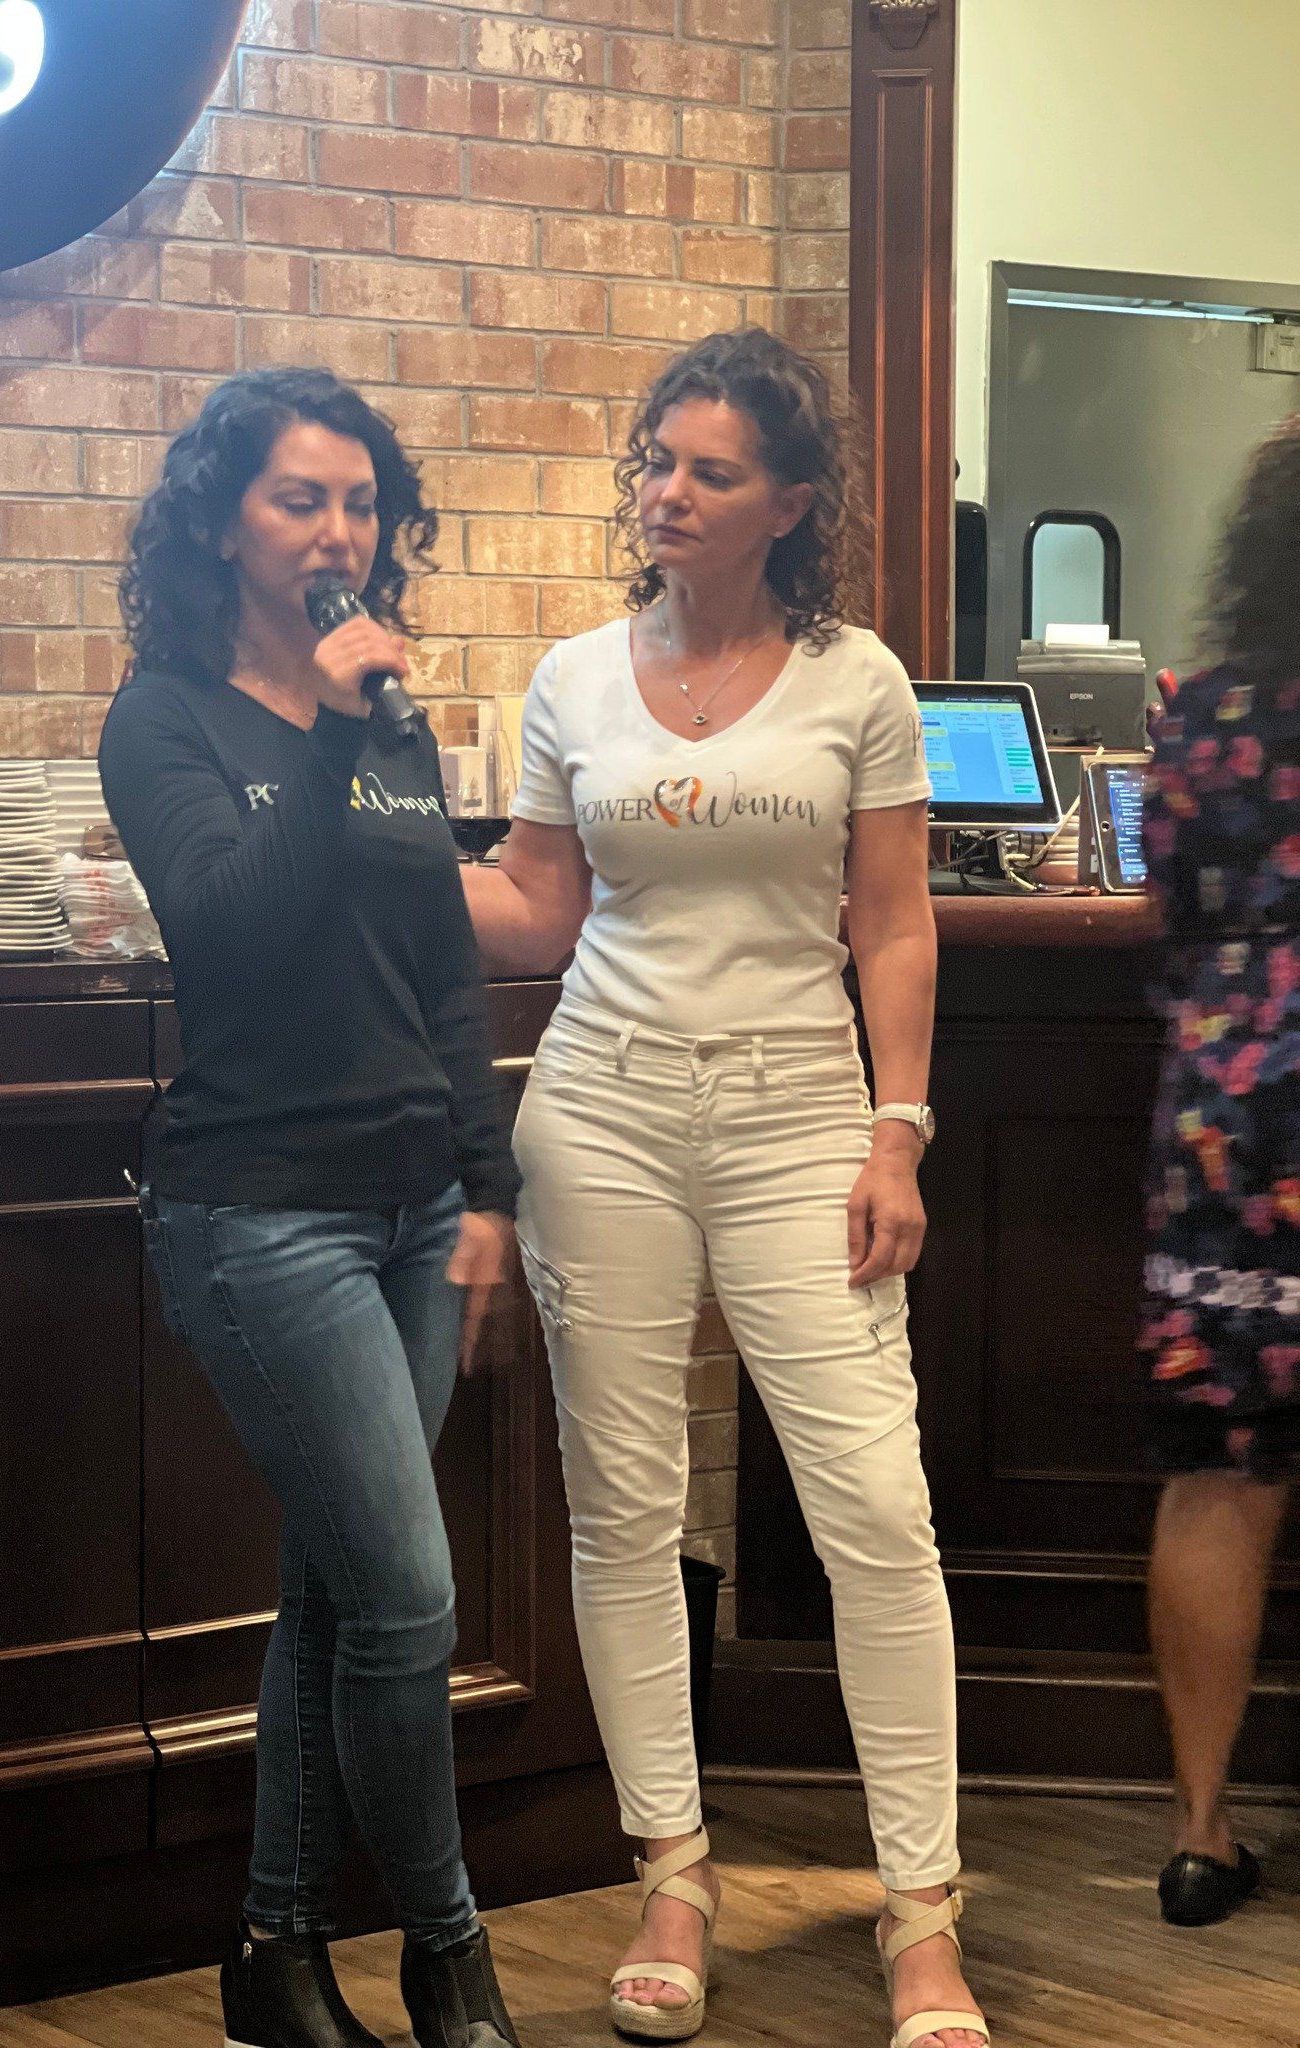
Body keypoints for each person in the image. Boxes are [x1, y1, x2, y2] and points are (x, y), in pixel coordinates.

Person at [462, 328, 987, 2048]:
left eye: (709, 470)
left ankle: (923, 1918)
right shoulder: (572, 679)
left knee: (875, 1511)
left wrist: (897, 1130)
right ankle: (672, 1873)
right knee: (624, 1507)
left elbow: (889, 920)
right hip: (601, 1112)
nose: (665, 493)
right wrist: (367, 852)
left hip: (799, 1122)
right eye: (655, 461)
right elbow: (540, 910)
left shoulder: (860, 681)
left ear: (791, 503)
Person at [98, 367, 523, 2048]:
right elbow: (230, 927)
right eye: (300, 499)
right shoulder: (165, 720)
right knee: (409, 1599)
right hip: (261, 1214)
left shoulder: (395, 719)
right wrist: (339, 731)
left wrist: (488, 1187)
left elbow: (439, 971)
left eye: (360, 502)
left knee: (343, 1595)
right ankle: (450, 1955)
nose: (339, 532)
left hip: (415, 1207)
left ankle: (277, 1955)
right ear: (223, 524)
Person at [1140, 418, 1300, 1928]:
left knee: (1217, 1473)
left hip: (1228, 1115)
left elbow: (1172, 903)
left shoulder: (1201, 715)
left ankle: (1200, 1831)